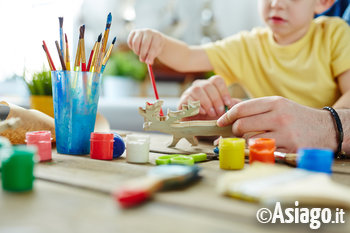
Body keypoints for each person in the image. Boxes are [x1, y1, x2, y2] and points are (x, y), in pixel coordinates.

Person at [128, 0, 350, 155]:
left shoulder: (335, 34)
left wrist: (320, 130)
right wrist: (157, 41)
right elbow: (188, 56)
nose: (277, 3)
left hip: (327, 159)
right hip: (268, 156)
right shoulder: (247, 45)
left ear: (322, 2)